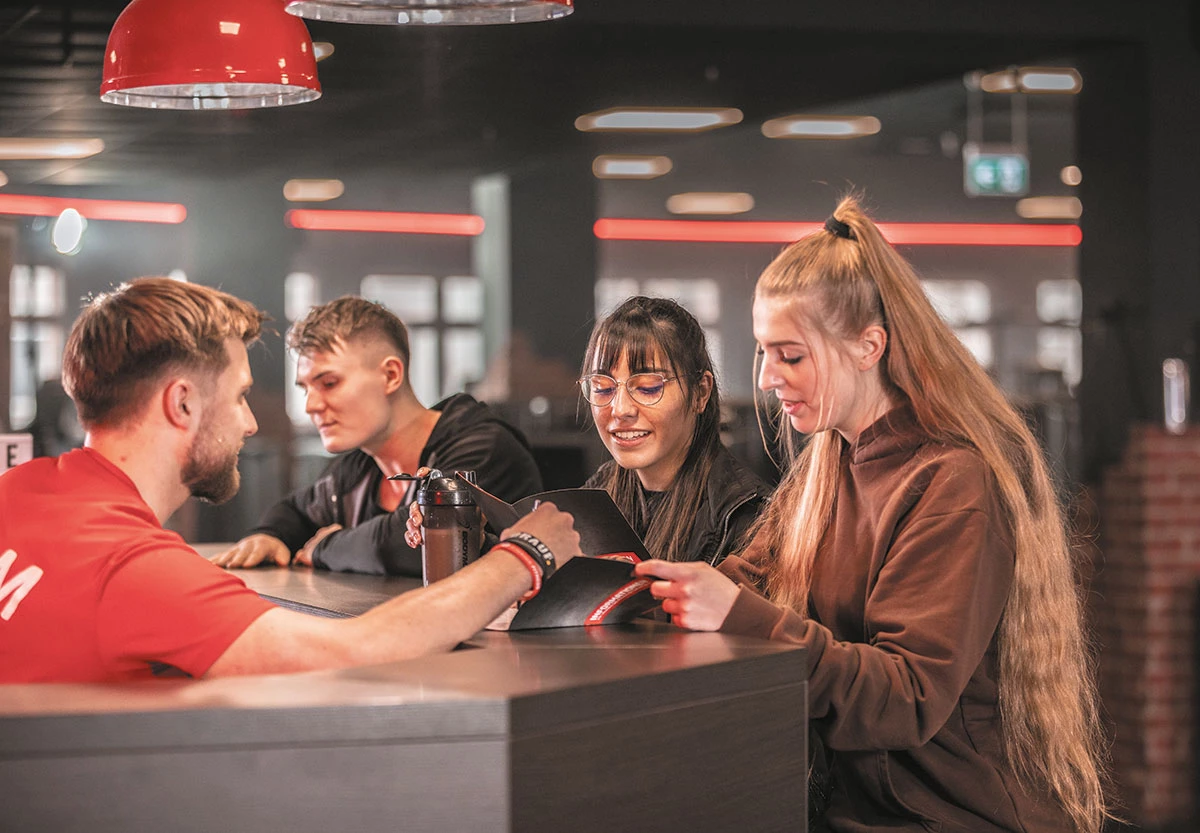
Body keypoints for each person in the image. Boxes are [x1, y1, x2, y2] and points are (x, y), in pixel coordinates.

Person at [635, 198, 1107, 832]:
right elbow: (747, 581)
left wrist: (737, 615)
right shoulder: (828, 466)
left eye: (791, 355)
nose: (769, 377)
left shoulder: (952, 482)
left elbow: (906, 698)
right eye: (763, 353)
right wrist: (624, 593)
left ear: (868, 346)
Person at [0, 278, 578, 683]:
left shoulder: (13, 494)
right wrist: (524, 555)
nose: (252, 423)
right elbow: (358, 652)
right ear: (182, 403)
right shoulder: (137, 570)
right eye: (241, 396)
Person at [405, 296, 769, 566]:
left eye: (647, 387)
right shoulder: (602, 491)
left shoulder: (745, 516)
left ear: (701, 392)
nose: (621, 410)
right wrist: (472, 536)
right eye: (603, 388)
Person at [212, 296, 543, 576]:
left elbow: (423, 541)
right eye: (306, 388)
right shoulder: (357, 469)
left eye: (329, 383)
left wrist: (328, 546)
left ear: (390, 375)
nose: (311, 405)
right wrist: (270, 536)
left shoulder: (482, 448)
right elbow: (297, 511)